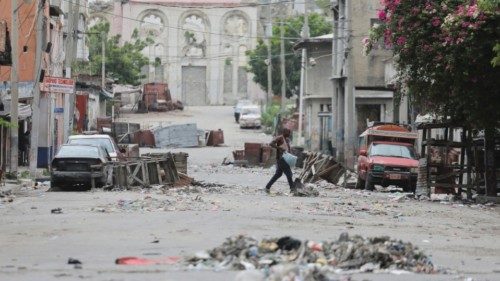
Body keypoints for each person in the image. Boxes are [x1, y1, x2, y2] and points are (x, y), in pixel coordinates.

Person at [265, 128, 295, 193]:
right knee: (289, 174)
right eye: (288, 132)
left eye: (289, 132)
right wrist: (279, 148)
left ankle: (267, 186)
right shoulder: (280, 138)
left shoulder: (287, 139)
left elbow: (288, 149)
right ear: (284, 132)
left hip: (285, 158)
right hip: (281, 159)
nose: (289, 134)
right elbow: (271, 143)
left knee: (278, 174)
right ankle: (292, 188)